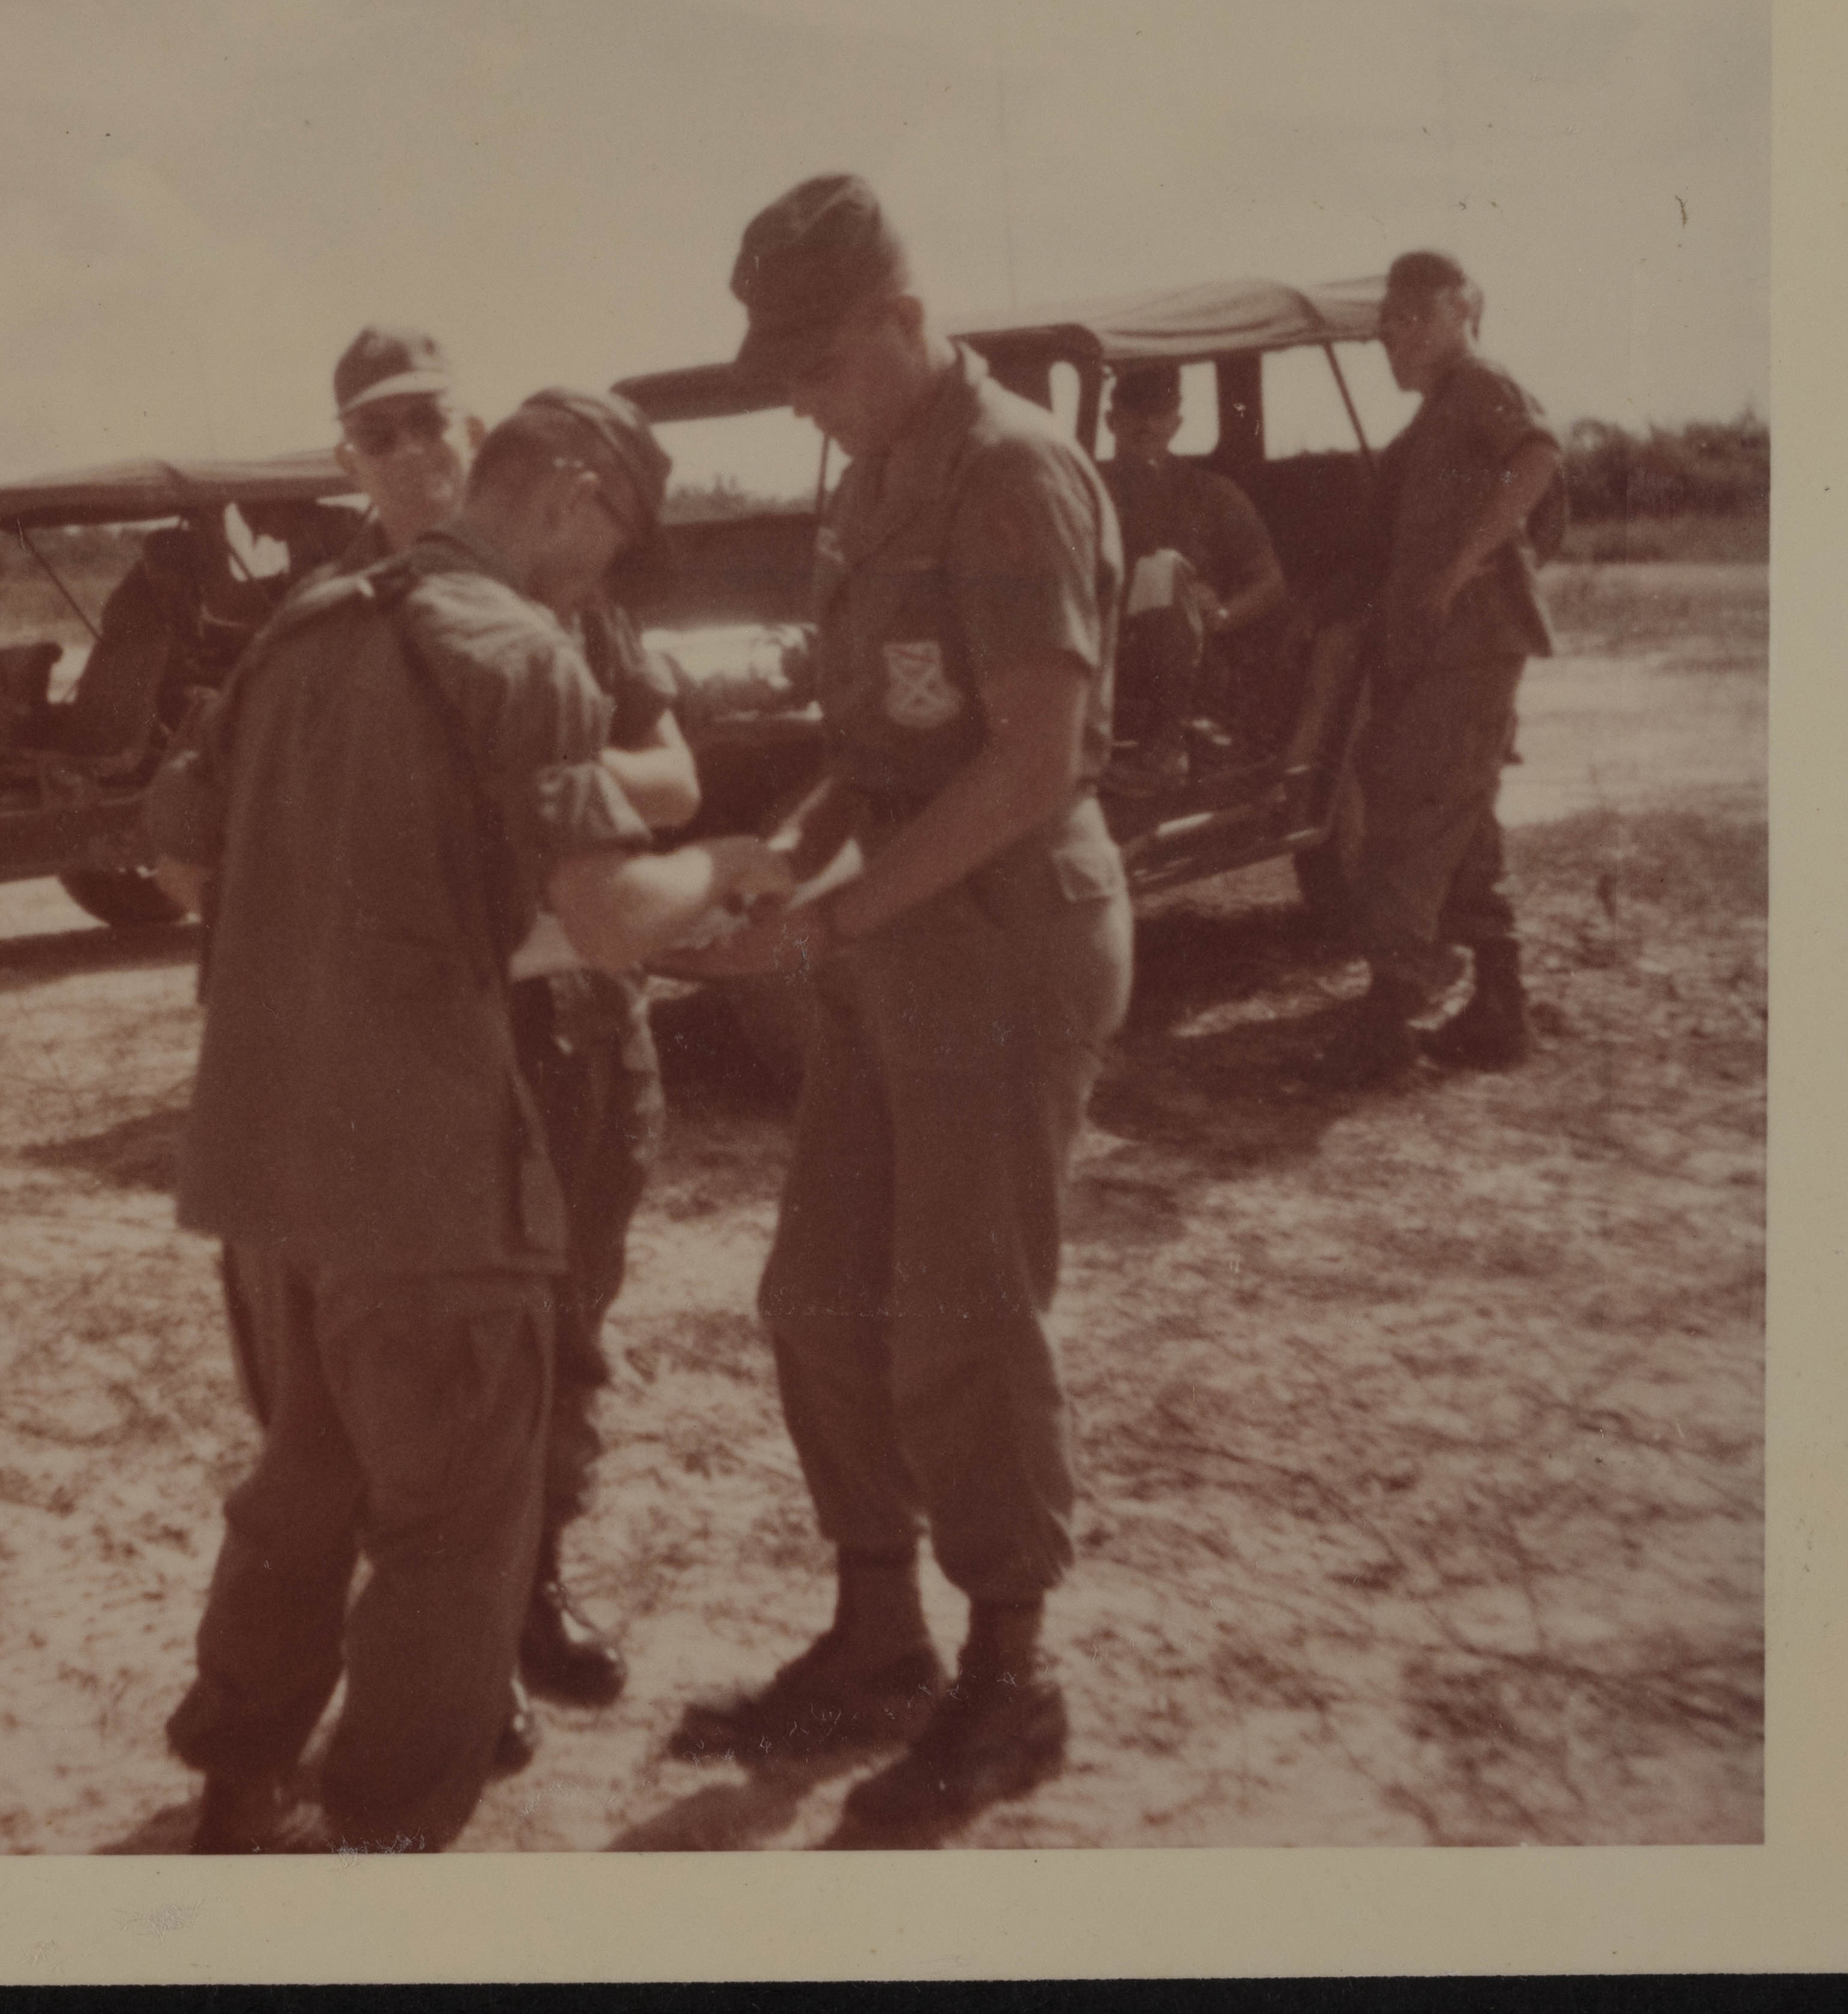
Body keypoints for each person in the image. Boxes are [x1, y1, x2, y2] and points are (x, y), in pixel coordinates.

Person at [147, 388, 791, 1855]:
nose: (599, 585)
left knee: (302, 1482)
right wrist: (722, 865)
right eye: (609, 544)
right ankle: (385, 1838)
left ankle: (238, 1785)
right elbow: (615, 918)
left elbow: (187, 856)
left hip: (264, 1165)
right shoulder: (520, 656)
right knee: (454, 1528)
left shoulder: (306, 623)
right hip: (427, 1183)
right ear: (566, 493)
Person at [662, 175, 1133, 1837]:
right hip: (896, 936)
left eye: (811, 358)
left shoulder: (1006, 475)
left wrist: (837, 912)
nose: (794, 392)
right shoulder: (869, 482)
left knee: (964, 1311)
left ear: (897, 320)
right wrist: (776, 871)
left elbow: (1037, 757)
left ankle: (1011, 1676)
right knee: (815, 1296)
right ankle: (879, 1634)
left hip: (1005, 934)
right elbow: (870, 755)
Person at [300, 326, 703, 1713]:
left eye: (432, 422)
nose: (413, 451)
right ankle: (441, 1644)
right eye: (380, 432)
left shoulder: (565, 597)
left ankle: (526, 1594)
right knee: (424, 1368)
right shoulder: (333, 613)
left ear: (479, 440)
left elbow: (677, 775)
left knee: (571, 1326)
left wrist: (531, 751)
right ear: (344, 463)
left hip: (586, 1023)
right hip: (440, 1045)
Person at [1311, 250, 1562, 1087]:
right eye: (1388, 326)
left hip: (1468, 647)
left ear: (1464, 312)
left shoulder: (1479, 384)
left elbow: (1536, 455)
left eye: (1417, 319)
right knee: (1459, 814)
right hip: (1438, 652)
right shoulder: (1429, 422)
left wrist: (1462, 564)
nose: (1397, 340)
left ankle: (1387, 1019)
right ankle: (1499, 1005)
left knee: (1412, 814)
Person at [1100, 362, 1287, 785]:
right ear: (1112, 419)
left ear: (1177, 422)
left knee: (1162, 568)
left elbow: (1270, 582)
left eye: (1159, 412)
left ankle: (1165, 748)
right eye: (1133, 410)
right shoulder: (1085, 490)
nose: (1146, 424)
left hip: (1195, 660)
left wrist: (1222, 614)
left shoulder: (1213, 494)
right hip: (1102, 642)